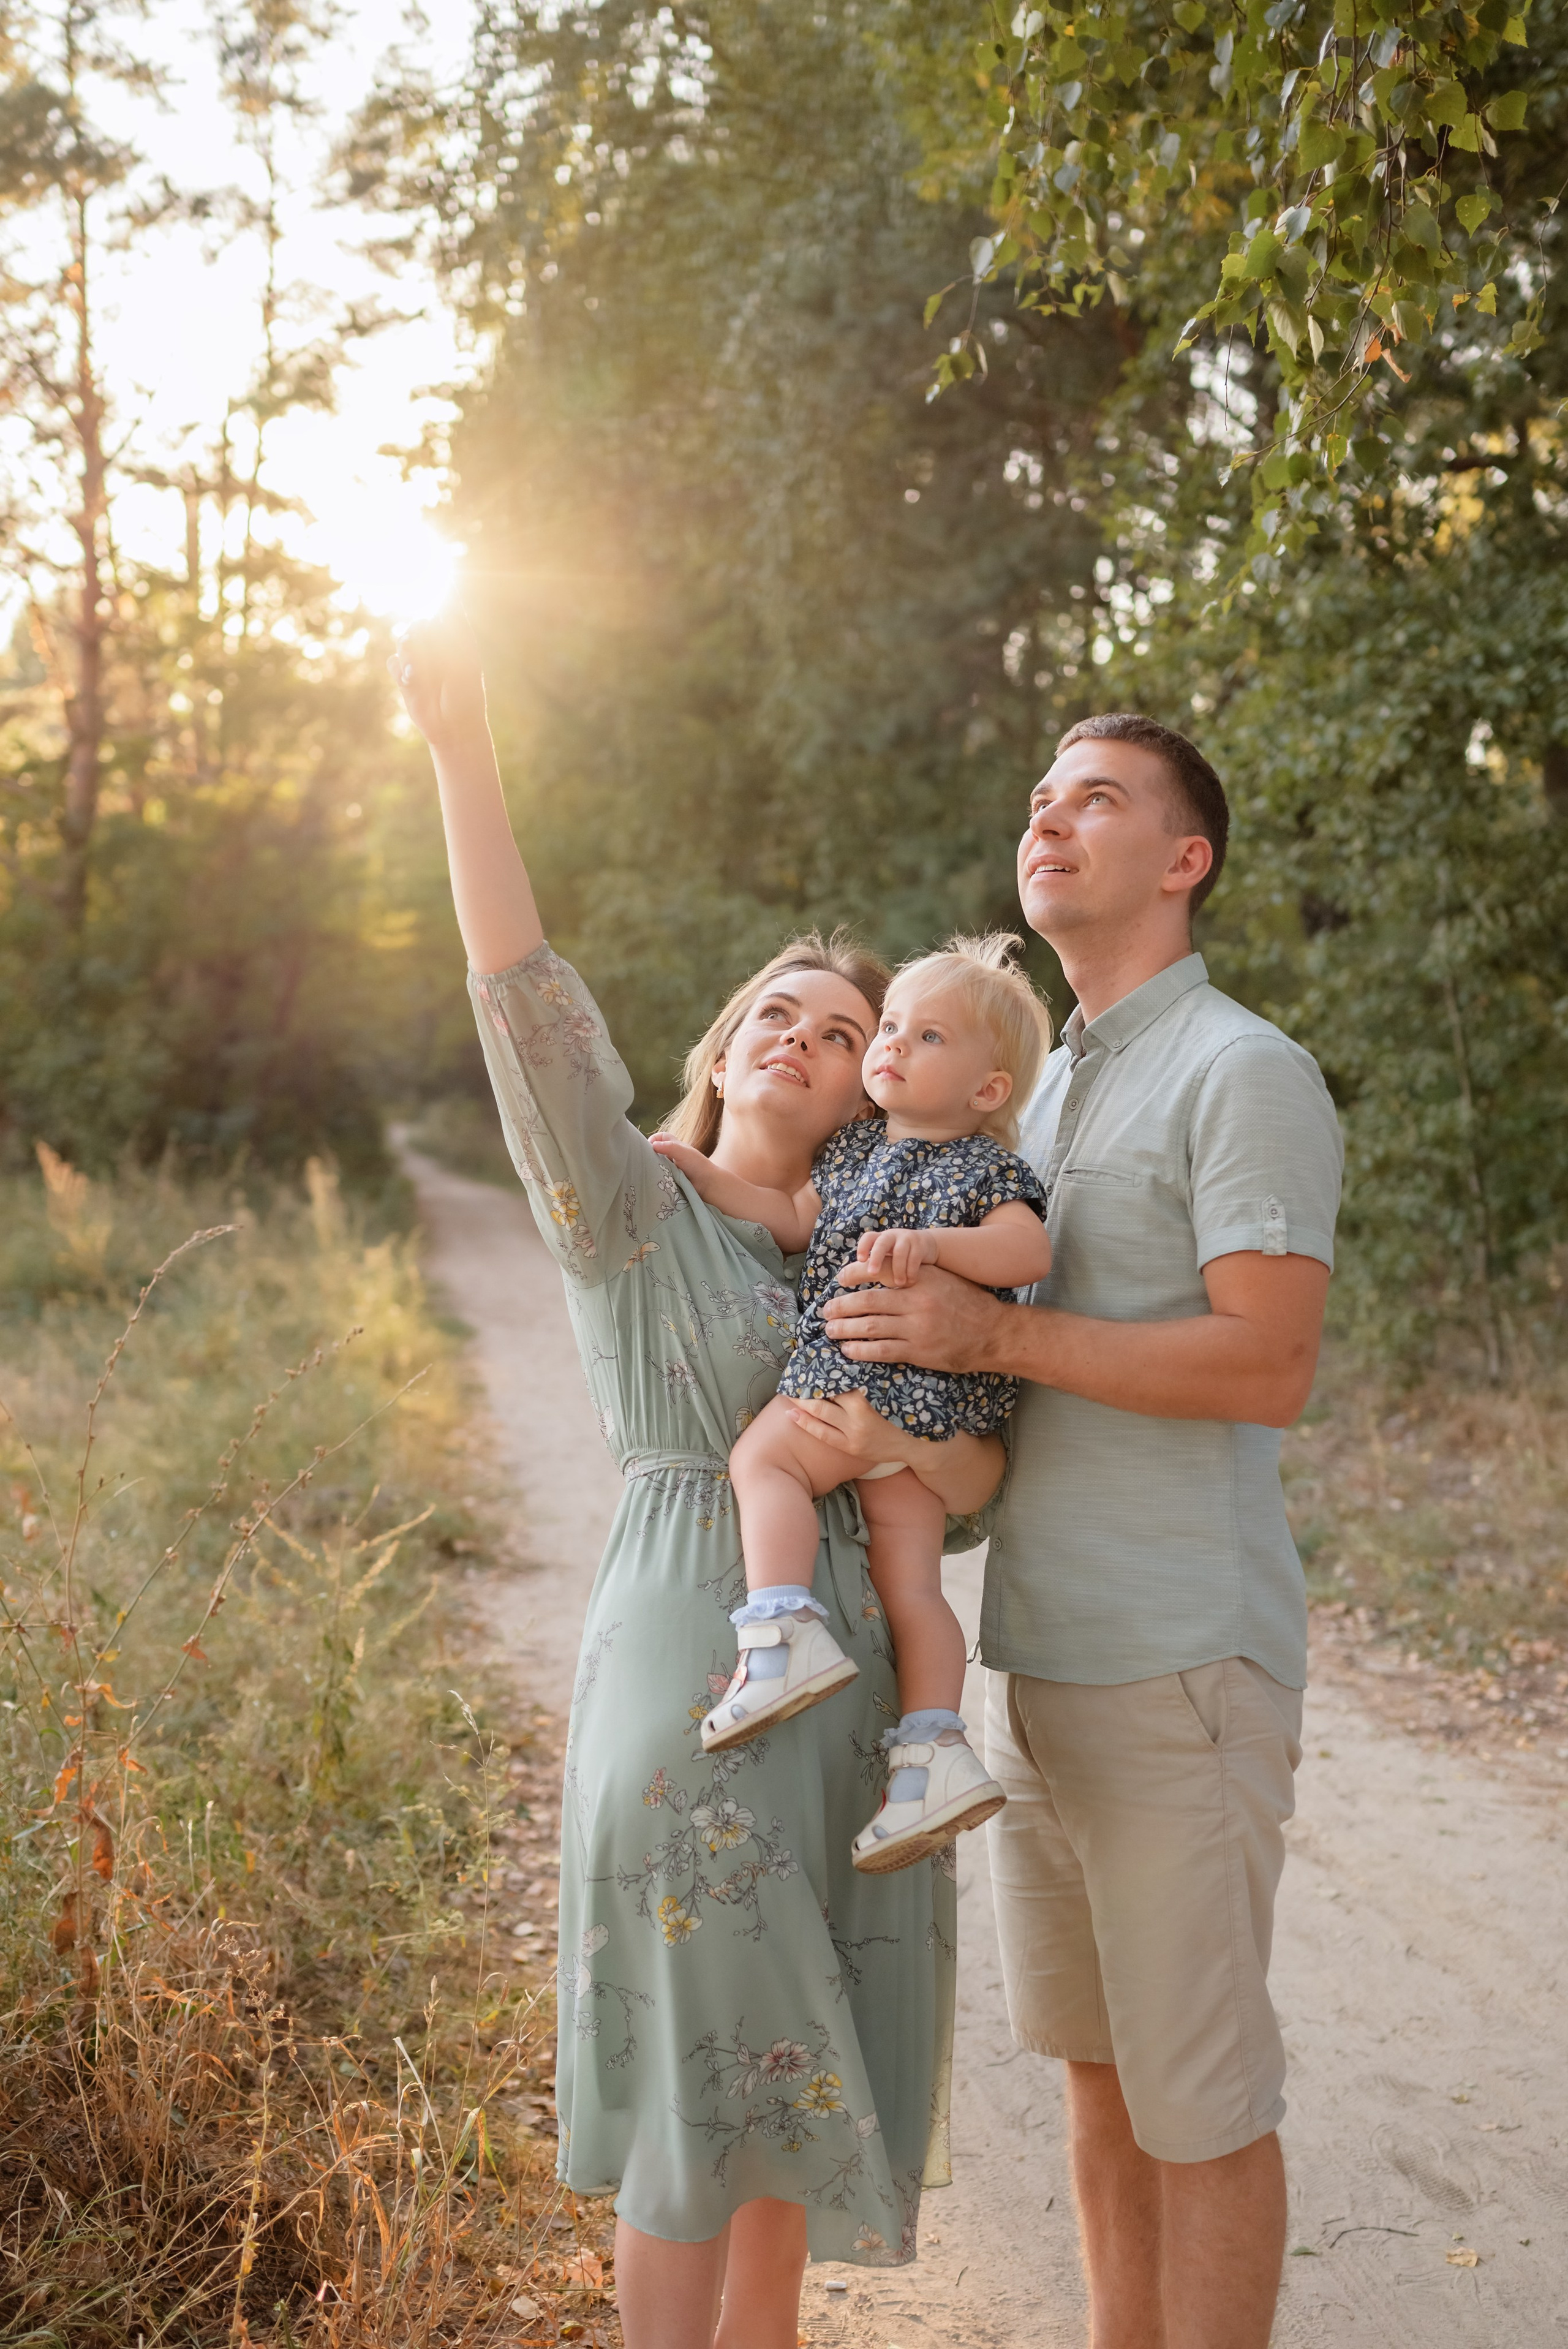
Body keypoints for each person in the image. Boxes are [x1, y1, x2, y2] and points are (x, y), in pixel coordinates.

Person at [390, 613, 959, 2349]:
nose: (802, 1033)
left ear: (871, 1085)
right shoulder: (627, 1207)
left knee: (792, 2091)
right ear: (721, 1050)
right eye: (774, 1010)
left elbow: (976, 1476)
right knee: (686, 2106)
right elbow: (525, 1002)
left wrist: (899, 1437)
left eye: (842, 1027)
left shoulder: (885, 1250)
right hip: (687, 1664)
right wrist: (464, 753)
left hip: (863, 1696)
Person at [802, 713, 1344, 2349]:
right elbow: (990, 1401)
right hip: (1034, 1667)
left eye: (1094, 799)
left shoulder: (1241, 1070)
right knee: (1100, 2084)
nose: (1047, 818)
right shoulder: (1032, 1103)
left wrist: (999, 1336)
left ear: (1183, 860)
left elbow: (1268, 1364)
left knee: (1202, 2105)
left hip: (1181, 1664)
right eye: (1039, 796)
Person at [653, 935, 1050, 1872]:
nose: (894, 1044)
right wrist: (701, 1174)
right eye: (892, 1028)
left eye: (926, 1037)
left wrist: (937, 1247)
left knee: (764, 1461)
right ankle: (932, 1753)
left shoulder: (983, 1169)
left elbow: (1027, 1252)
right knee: (910, 1586)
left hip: (877, 1379)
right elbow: (792, 1218)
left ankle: (782, 1628)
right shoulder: (856, 1151)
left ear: (988, 1090)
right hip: (917, 1420)